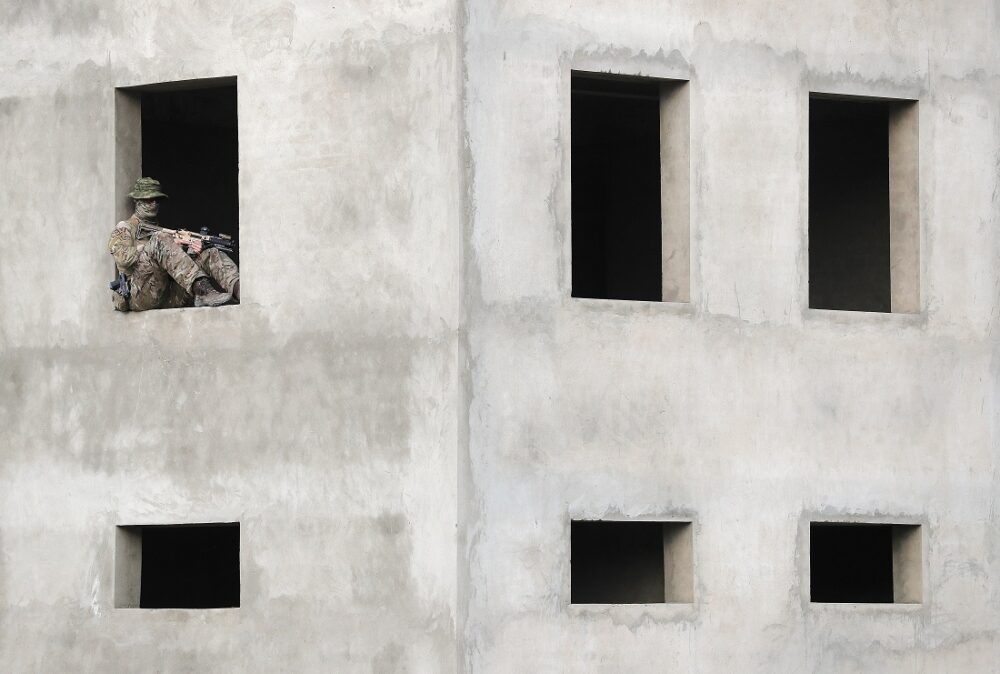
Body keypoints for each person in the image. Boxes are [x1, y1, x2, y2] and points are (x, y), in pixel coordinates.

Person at [109, 177, 240, 311]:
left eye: (157, 200)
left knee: (209, 253)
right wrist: (154, 246)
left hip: (168, 294)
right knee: (160, 239)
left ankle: (239, 290)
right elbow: (122, 258)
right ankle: (202, 291)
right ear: (137, 201)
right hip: (139, 295)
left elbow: (175, 267)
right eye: (148, 200)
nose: (154, 203)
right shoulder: (125, 227)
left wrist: (189, 251)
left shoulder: (162, 231)